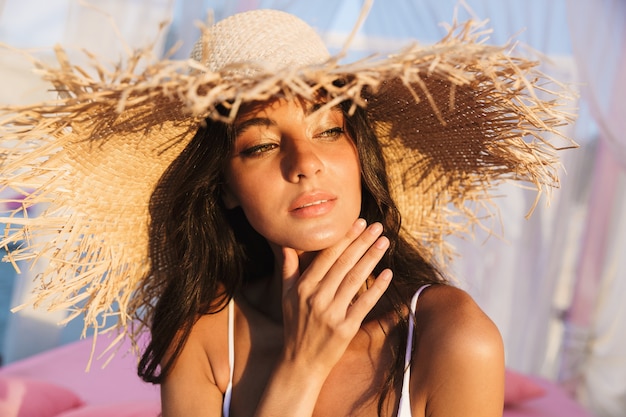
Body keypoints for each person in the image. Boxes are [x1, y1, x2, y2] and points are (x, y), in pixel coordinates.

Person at [0, 7, 572, 417]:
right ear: (223, 185)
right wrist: (301, 368)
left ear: (358, 156)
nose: (305, 163)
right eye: (261, 145)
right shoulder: (200, 332)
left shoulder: (450, 336)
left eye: (329, 130)